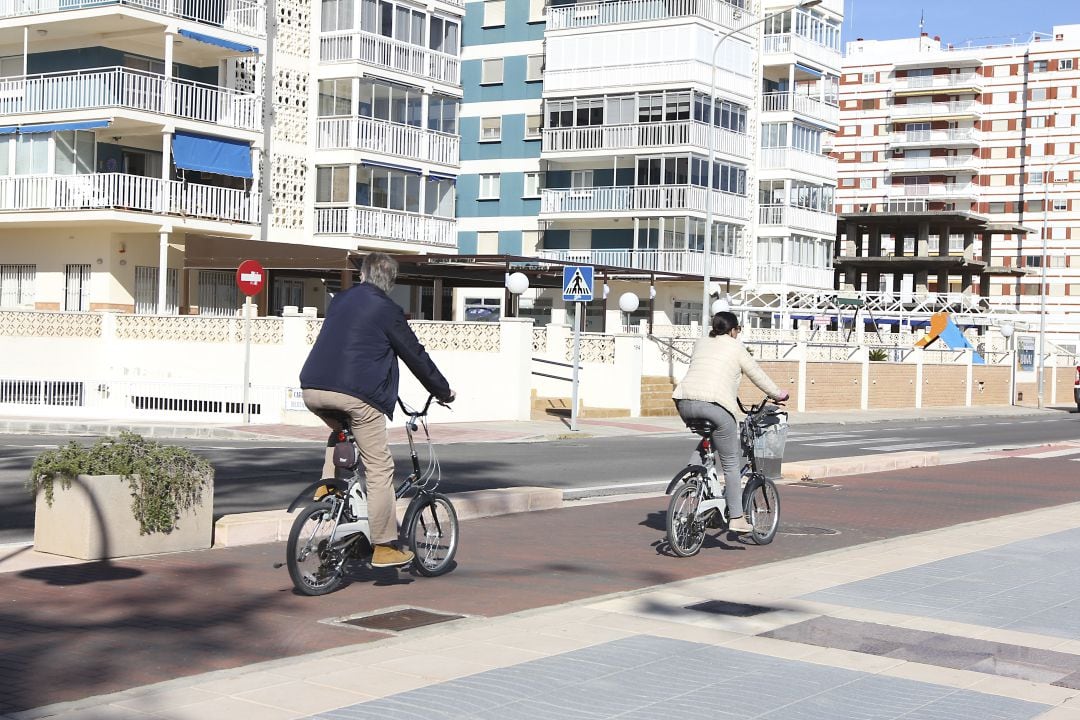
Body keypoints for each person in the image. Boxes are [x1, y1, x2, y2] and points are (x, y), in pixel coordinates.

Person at [300, 252, 454, 568]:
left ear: (364, 276)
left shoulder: (341, 301)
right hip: (356, 395)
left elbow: (349, 346)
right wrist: (443, 391)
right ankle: (384, 544)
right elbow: (416, 356)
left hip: (313, 387)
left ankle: (329, 491)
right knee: (379, 467)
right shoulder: (387, 310)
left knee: (341, 431)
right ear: (391, 282)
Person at [671, 311, 788, 534]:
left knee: (712, 437)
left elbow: (709, 371)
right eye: (738, 330)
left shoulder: (702, 342)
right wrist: (779, 394)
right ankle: (736, 517)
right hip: (714, 405)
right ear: (734, 330)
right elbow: (757, 375)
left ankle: (692, 473)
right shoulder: (736, 347)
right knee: (731, 463)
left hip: (684, 402)